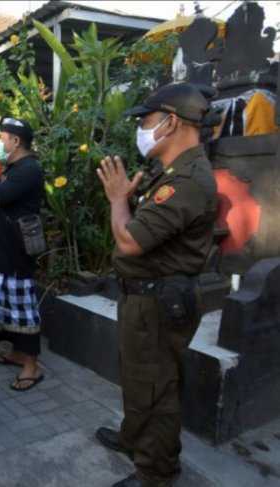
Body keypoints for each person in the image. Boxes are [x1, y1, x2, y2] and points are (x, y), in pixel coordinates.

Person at [94, 83, 217, 487]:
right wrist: (127, 200)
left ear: (172, 122)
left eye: (146, 121)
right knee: (139, 379)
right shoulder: (172, 174)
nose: (142, 129)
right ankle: (134, 439)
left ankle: (156, 474)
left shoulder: (187, 181)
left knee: (156, 391)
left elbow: (129, 241)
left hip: (159, 306)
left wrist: (117, 200)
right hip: (145, 301)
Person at [0, 117, 45, 392]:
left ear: (16, 141)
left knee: (21, 309)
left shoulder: (28, 170)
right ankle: (16, 353)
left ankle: (32, 367)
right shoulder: (11, 169)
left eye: (2, 138)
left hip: (15, 253)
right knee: (4, 305)